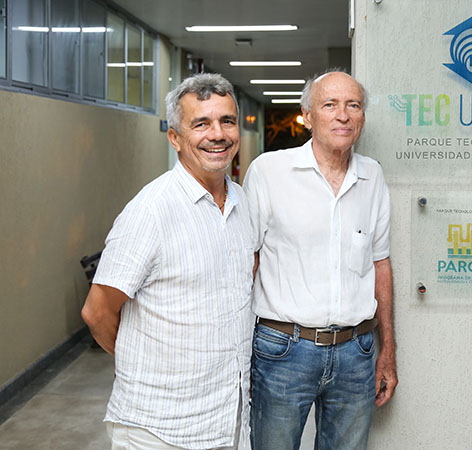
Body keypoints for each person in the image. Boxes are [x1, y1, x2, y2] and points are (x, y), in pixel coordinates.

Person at [81, 73, 255, 450]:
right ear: (175, 138)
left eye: (227, 121)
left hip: (228, 421)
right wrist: (153, 368)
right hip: (160, 429)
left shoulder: (244, 204)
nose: (218, 134)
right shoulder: (150, 211)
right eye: (201, 124)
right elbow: (97, 312)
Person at [244, 70, 397, 450]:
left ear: (362, 116)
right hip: (283, 349)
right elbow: (246, 262)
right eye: (329, 105)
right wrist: (236, 352)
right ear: (307, 116)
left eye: (353, 105)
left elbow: (380, 264)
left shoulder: (372, 176)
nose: (343, 115)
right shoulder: (269, 171)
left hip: (356, 351)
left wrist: (388, 350)